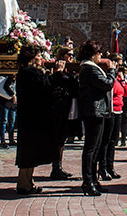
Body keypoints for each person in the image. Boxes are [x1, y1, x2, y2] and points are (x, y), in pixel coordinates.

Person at [14, 45, 58, 195]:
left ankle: (28, 181)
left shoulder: (28, 72)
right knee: (28, 151)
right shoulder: (28, 73)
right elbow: (45, 88)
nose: (41, 58)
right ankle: (23, 183)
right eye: (39, 55)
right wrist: (56, 74)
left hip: (31, 116)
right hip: (31, 118)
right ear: (32, 57)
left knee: (31, 152)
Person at [77, 40, 116, 196]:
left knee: (97, 148)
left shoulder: (92, 68)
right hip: (93, 111)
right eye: (99, 52)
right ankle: (87, 181)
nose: (101, 55)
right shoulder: (89, 69)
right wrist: (112, 71)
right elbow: (106, 84)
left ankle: (94, 179)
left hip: (98, 111)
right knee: (91, 148)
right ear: (92, 54)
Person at [50, 47, 78, 180]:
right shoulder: (56, 70)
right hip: (58, 107)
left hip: (67, 106)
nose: (72, 57)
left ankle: (58, 167)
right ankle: (55, 168)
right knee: (58, 139)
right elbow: (55, 83)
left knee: (62, 140)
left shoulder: (68, 71)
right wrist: (59, 73)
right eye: (69, 55)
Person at [0, 75, 17, 148]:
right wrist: (13, 95)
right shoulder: (10, 78)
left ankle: (11, 139)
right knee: (4, 120)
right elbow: (6, 87)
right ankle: (3, 140)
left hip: (12, 104)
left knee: (12, 121)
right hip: (5, 102)